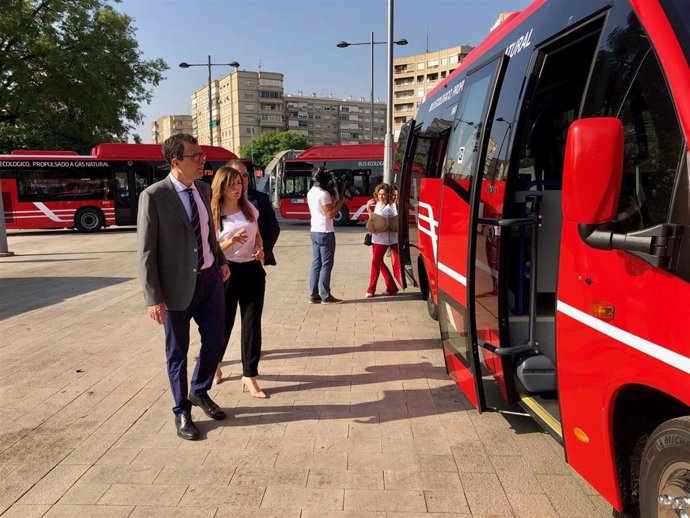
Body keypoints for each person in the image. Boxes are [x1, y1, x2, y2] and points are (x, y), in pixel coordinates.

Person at [137, 133, 230, 441]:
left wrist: (220, 261)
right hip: (176, 288)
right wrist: (153, 297)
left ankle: (199, 391)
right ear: (176, 161)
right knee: (176, 351)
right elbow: (147, 251)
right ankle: (181, 410)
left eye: (202, 155)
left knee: (215, 341)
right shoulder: (154, 196)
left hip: (209, 281)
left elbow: (208, 233)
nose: (203, 160)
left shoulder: (203, 190)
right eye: (196, 156)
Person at [211, 166, 268, 398]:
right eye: (232, 184)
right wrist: (230, 241)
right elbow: (210, 249)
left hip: (252, 270)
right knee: (223, 323)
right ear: (221, 186)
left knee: (252, 324)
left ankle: (250, 375)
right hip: (226, 271)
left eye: (240, 183)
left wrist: (259, 250)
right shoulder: (213, 212)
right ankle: (214, 363)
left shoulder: (249, 208)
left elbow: (257, 237)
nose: (237, 188)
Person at [225, 159, 281, 266]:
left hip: (254, 261)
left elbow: (273, 228)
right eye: (237, 175)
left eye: (245, 175)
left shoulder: (260, 199)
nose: (242, 179)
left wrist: (264, 252)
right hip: (226, 263)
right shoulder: (217, 203)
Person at [307, 166, 345, 304]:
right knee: (326, 265)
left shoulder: (311, 192)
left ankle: (314, 295)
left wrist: (334, 199)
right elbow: (330, 214)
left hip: (314, 230)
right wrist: (341, 202)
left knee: (316, 263)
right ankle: (326, 296)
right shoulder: (324, 194)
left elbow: (324, 208)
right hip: (325, 232)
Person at [365, 183, 399, 297]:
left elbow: (377, 221)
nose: (381, 197)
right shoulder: (379, 204)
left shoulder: (389, 208)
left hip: (384, 239)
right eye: (379, 194)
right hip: (377, 238)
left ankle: (371, 290)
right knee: (378, 262)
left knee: (375, 263)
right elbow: (374, 220)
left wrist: (368, 209)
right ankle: (391, 287)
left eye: (384, 194)